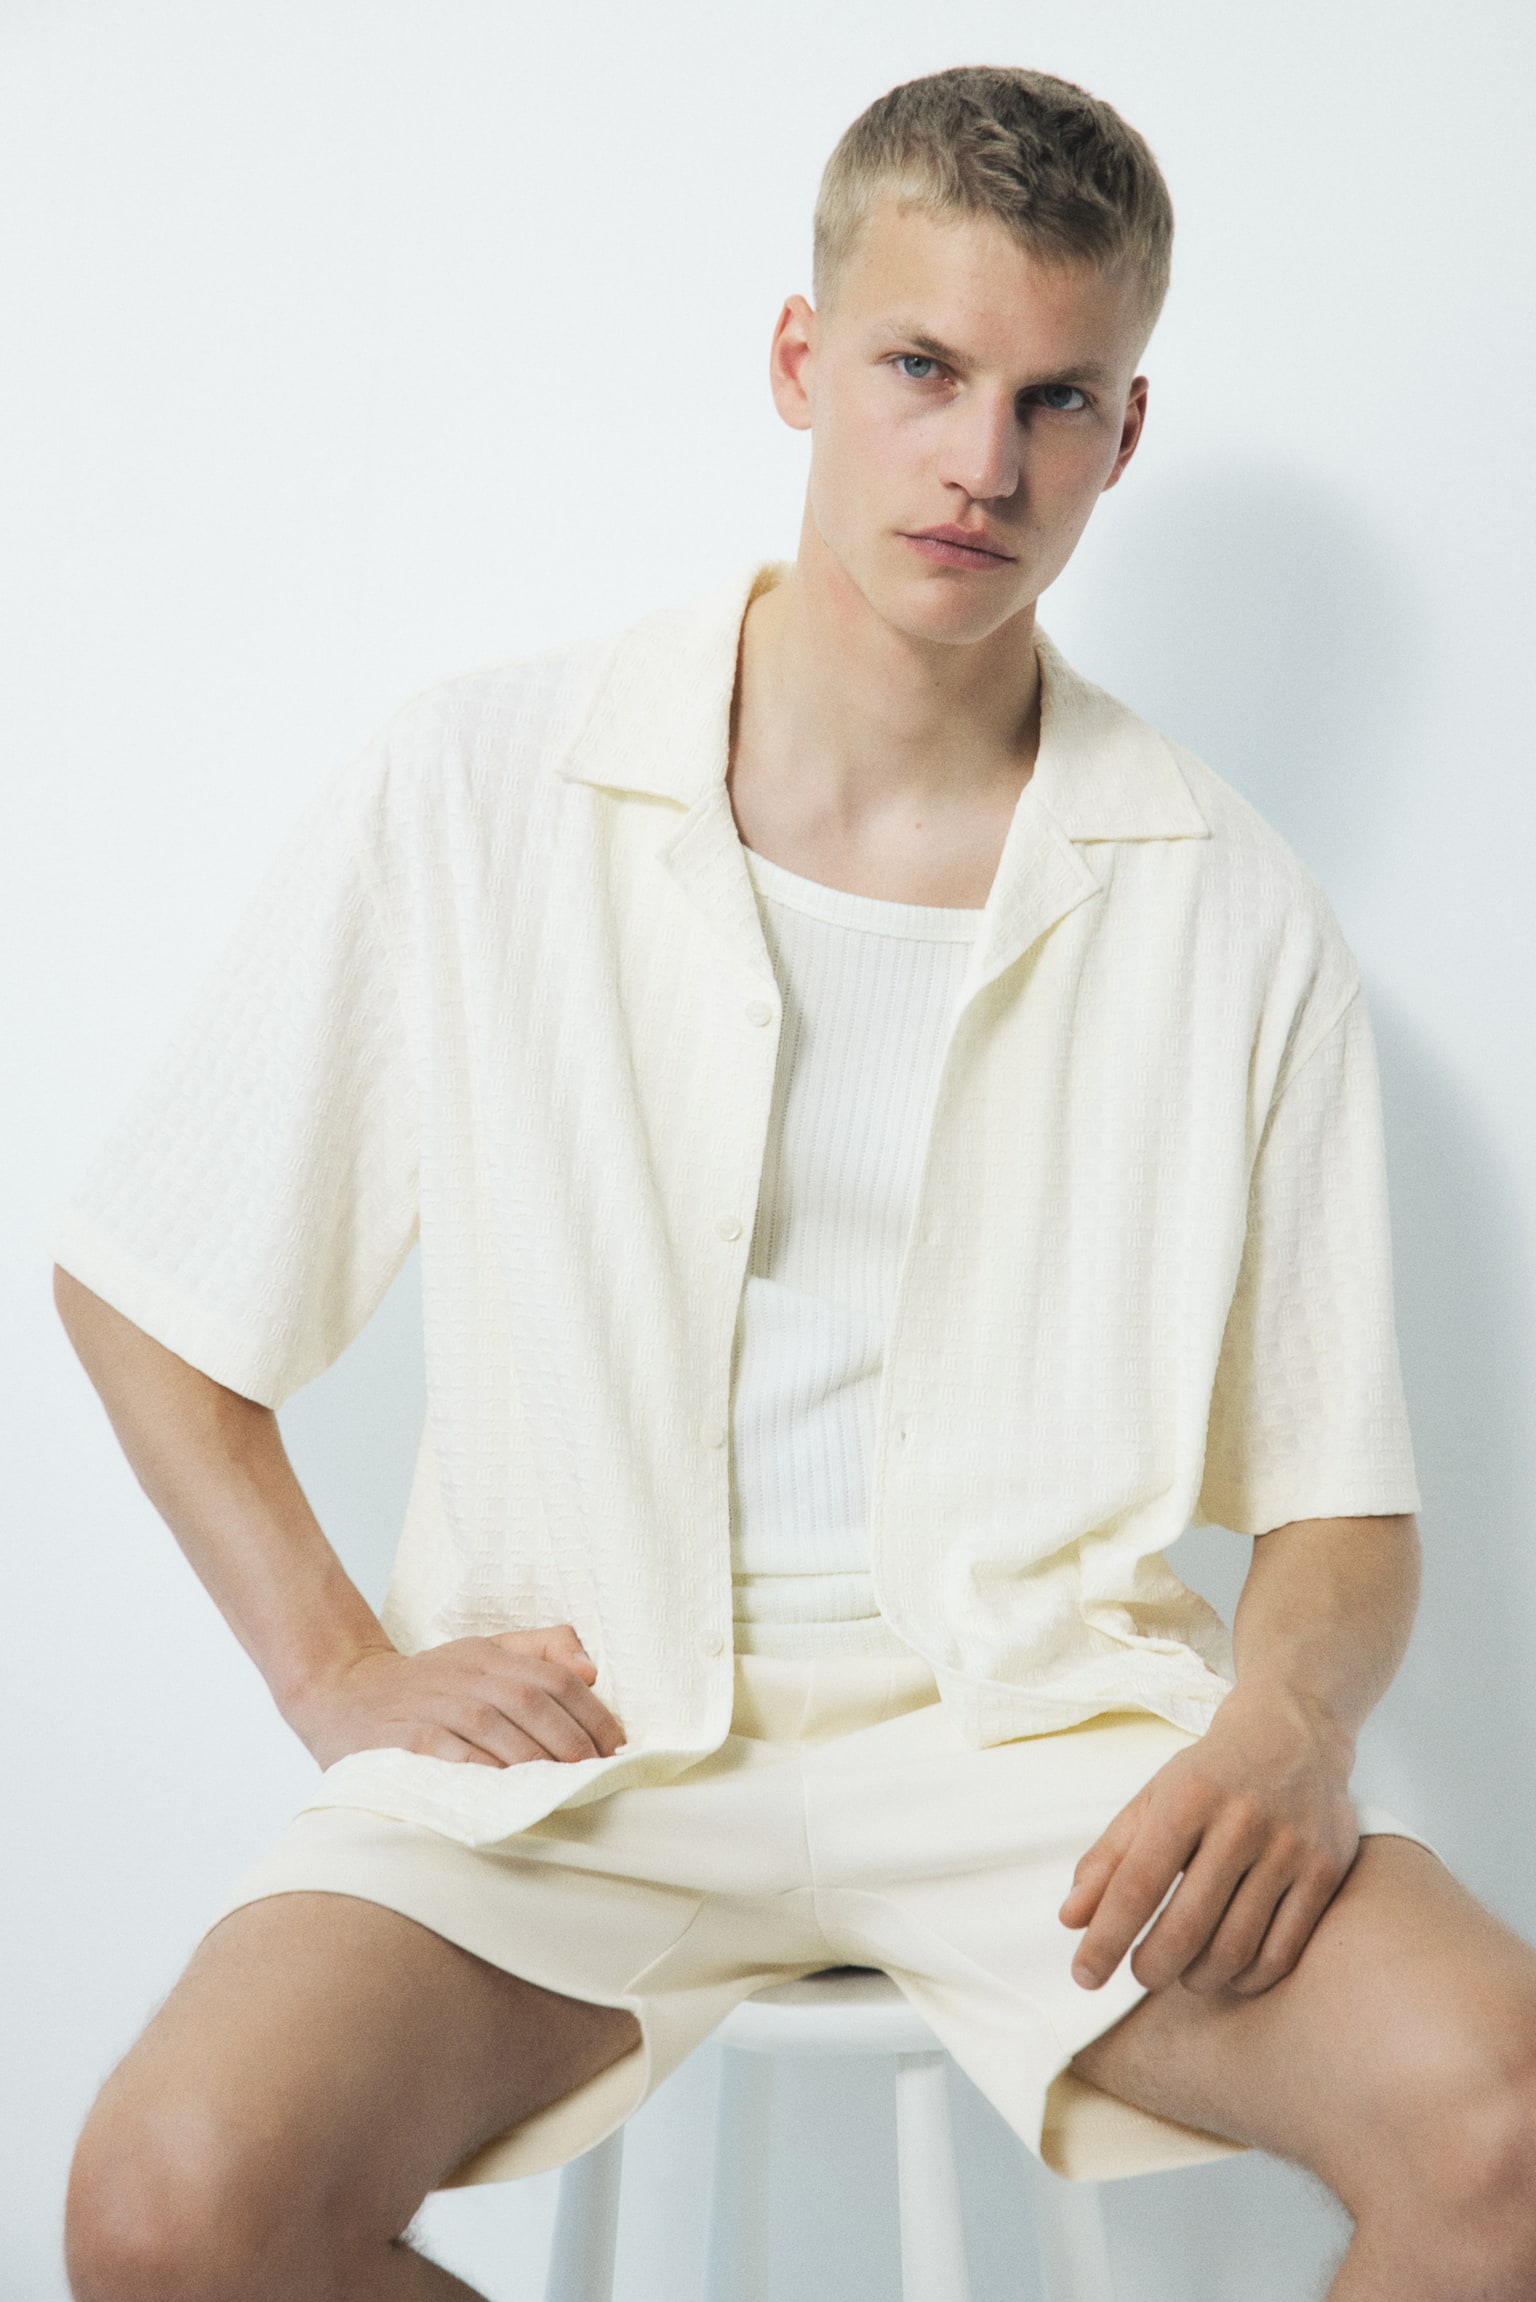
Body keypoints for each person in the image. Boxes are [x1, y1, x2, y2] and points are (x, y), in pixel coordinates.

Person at [52, 62, 1536, 2302]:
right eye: (924, 369)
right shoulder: (482, 785)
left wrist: (1292, 1719)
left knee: (1505, 2120)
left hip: (1044, 1744)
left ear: (1125, 433)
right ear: (799, 360)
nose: (982, 462)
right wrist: (336, 1662)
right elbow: (146, 1276)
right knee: (173, 2208)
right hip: (587, 1737)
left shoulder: (1228, 901)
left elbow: (1341, 1497)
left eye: (1054, 398)